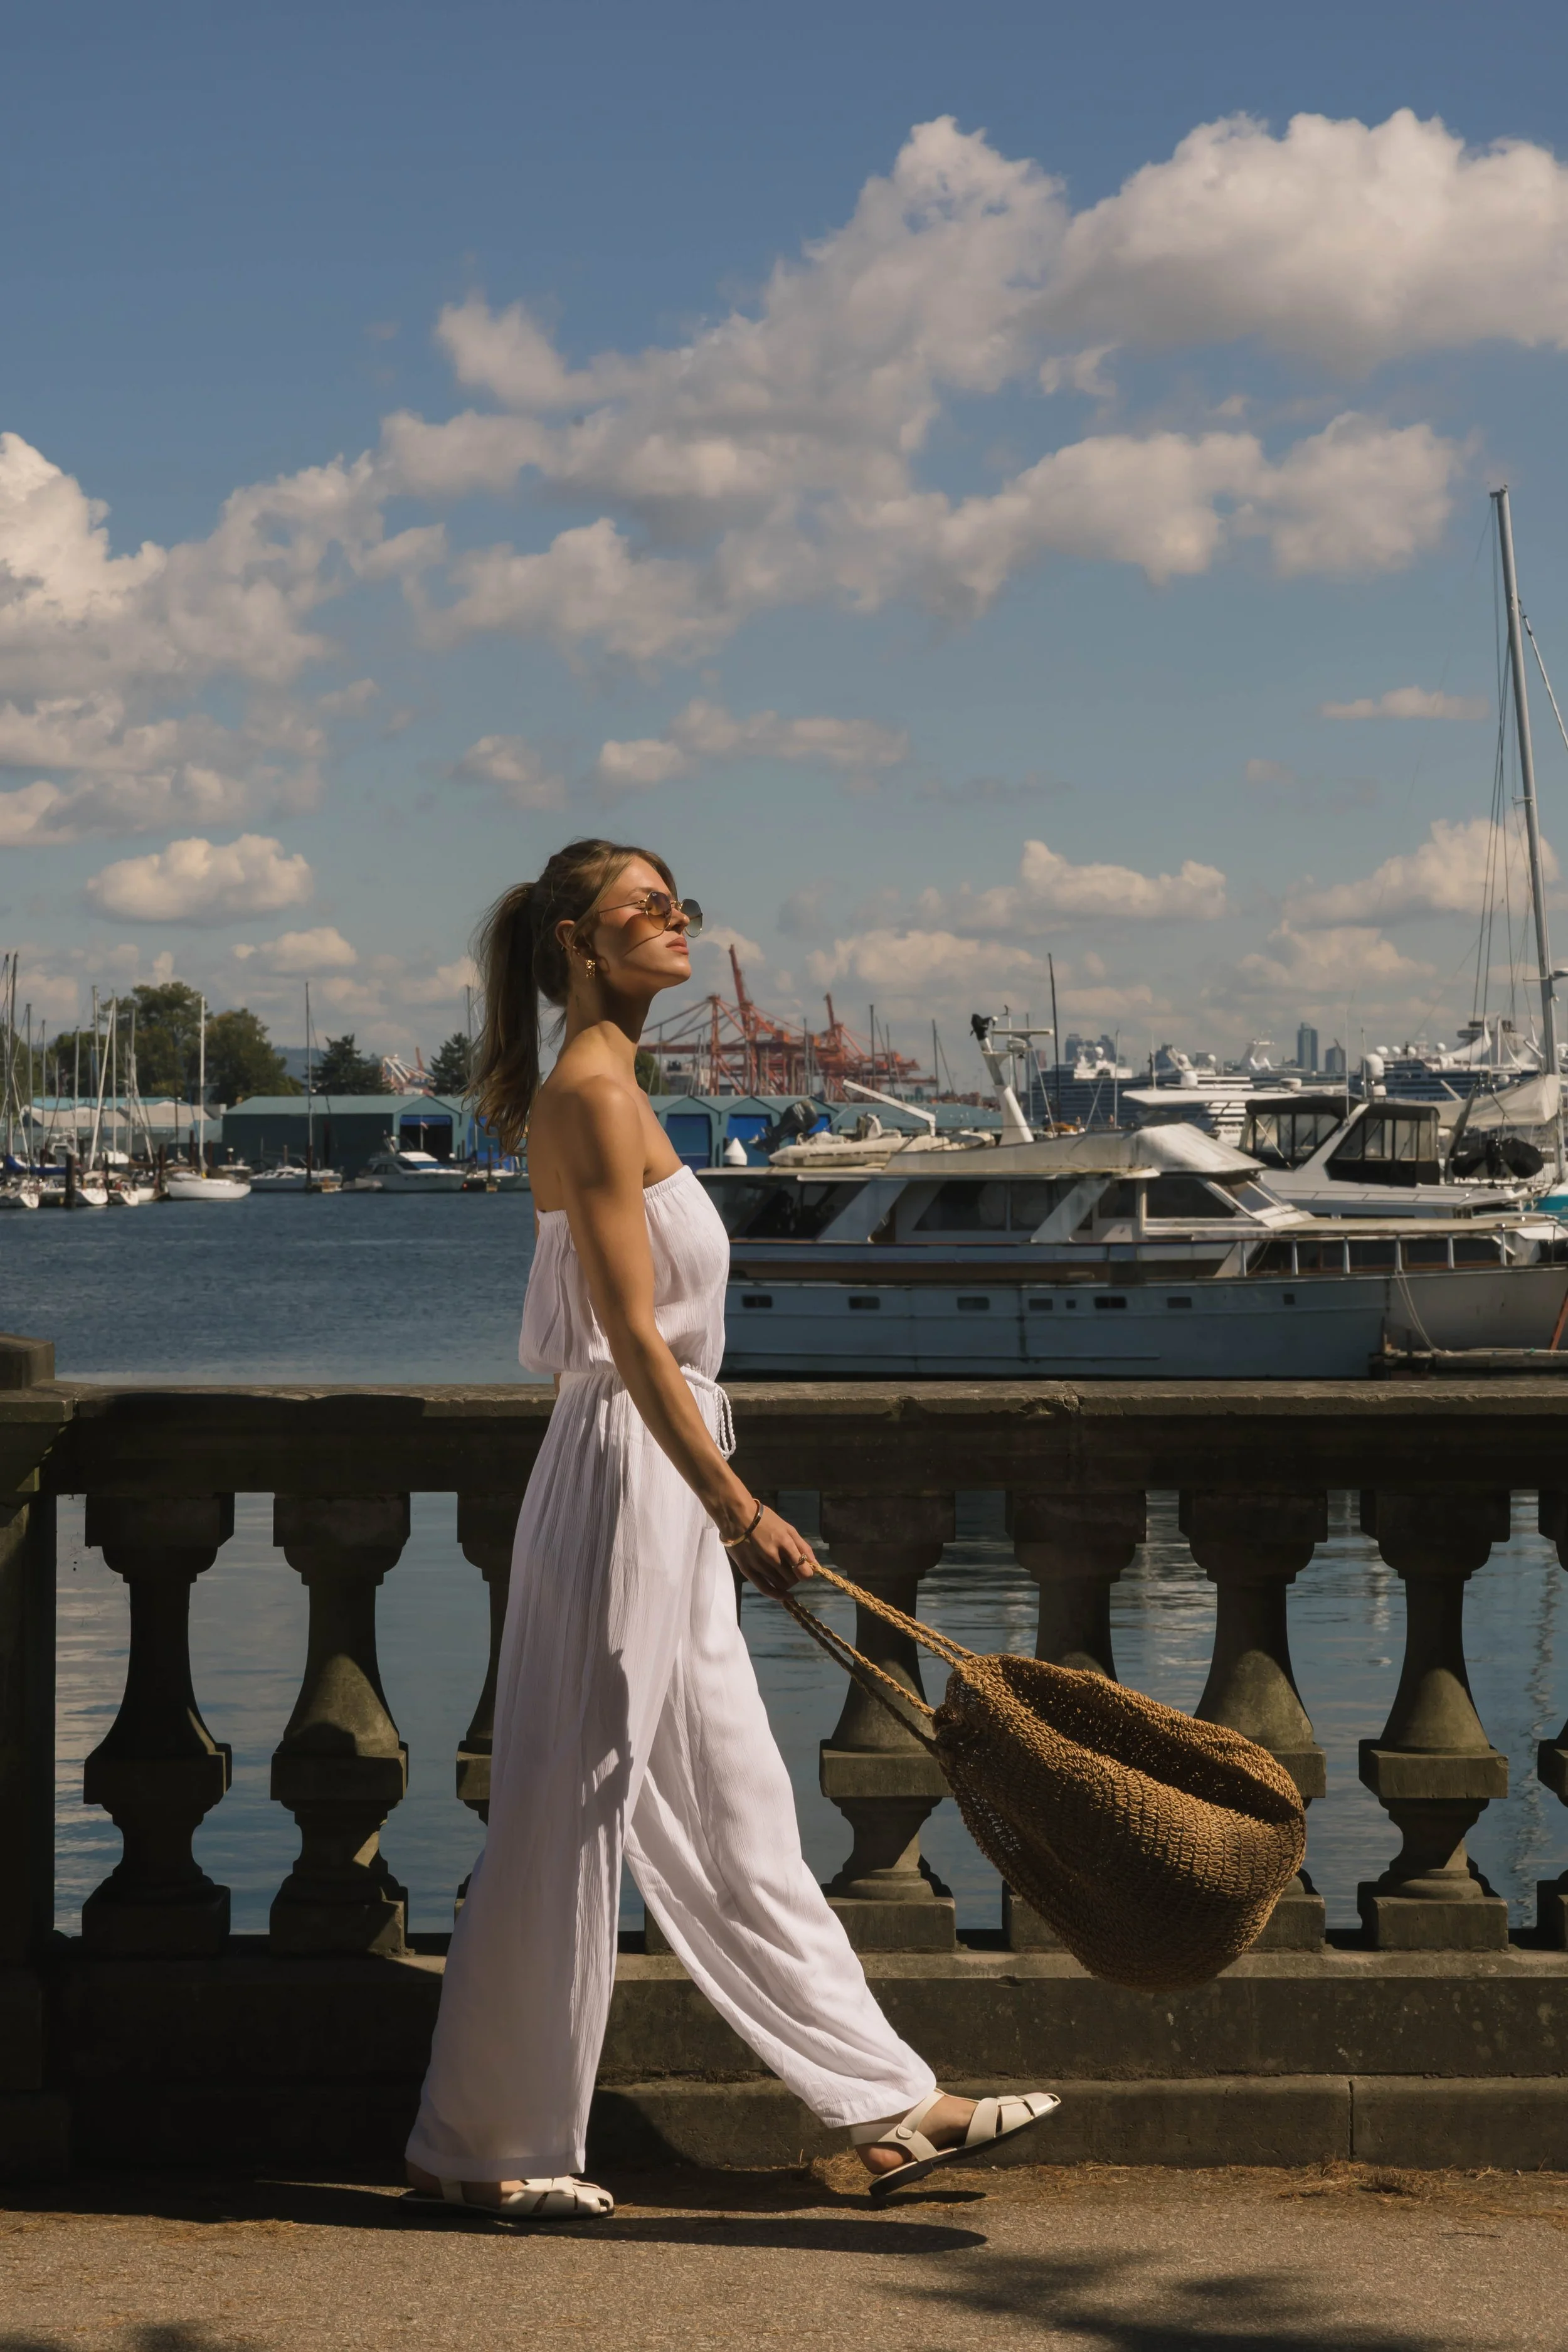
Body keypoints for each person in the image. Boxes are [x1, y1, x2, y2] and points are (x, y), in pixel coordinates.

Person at [404, 839, 1058, 2222]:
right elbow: (630, 1339)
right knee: (567, 1802)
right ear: (581, 942)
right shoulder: (587, 1094)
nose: (680, 926)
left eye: (680, 905)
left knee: (738, 1805)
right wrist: (732, 1501)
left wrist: (713, 1498)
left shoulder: (615, 1088)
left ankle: (885, 2108)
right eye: (649, 910)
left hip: (660, 1475)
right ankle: (489, 2147)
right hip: (634, 1475)